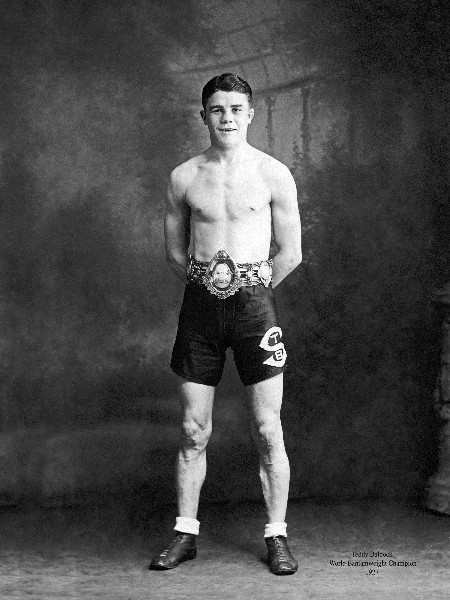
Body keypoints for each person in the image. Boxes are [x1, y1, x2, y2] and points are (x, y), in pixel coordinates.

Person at [150, 73, 302, 575]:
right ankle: (185, 533)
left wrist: (249, 292)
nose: (228, 118)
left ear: (251, 114)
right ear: (204, 116)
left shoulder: (274, 174)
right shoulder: (183, 177)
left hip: (256, 308)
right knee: (193, 430)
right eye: (218, 110)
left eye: (237, 109)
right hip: (200, 312)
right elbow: (175, 254)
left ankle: (276, 535)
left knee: (267, 427)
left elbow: (292, 253)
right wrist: (213, 289)